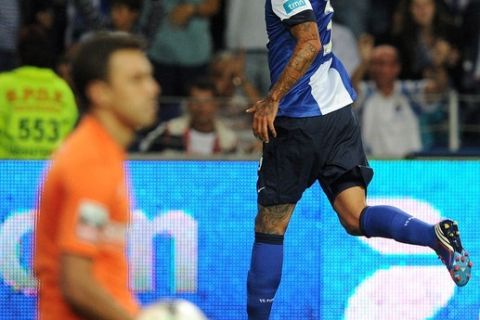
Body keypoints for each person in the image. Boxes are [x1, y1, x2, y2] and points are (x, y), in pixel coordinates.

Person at [245, 1, 472, 319]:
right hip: (338, 114)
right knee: (355, 217)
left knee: (271, 225)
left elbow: (310, 41)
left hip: (299, 120)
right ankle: (432, 235)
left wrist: (273, 98)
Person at [34, 32, 160, 320]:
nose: (153, 88)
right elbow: (77, 284)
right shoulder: (90, 161)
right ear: (100, 92)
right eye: (136, 80)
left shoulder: (101, 151)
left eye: (150, 77)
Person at [351, 40, 449, 157]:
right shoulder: (366, 92)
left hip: (408, 166)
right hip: (375, 164)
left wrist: (438, 66)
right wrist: (364, 63)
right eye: (374, 64)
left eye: (382, 63)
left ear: (396, 67)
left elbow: (438, 88)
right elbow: (350, 90)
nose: (378, 69)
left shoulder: (408, 92)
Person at [0, 25, 77, 159]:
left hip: (7, 170)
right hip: (50, 171)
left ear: (19, 54)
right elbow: (69, 128)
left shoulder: (3, 84)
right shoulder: (62, 89)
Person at [138, 77, 238, 155]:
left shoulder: (228, 141)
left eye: (206, 102)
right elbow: (142, 153)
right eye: (196, 101)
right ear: (188, 104)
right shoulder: (170, 130)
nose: (201, 107)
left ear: (216, 105)